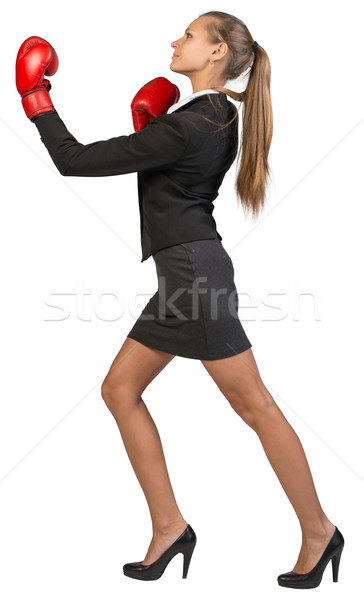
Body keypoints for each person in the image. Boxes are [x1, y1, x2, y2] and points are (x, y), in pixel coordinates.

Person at [16, 10, 344, 588]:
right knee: (120, 389)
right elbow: (165, 176)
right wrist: (147, 125)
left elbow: (75, 160)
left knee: (255, 407)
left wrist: (36, 98)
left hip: (193, 277)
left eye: (189, 35)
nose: (175, 40)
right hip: (184, 276)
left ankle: (319, 531)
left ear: (217, 53)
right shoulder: (208, 117)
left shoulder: (194, 123)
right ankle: (170, 528)